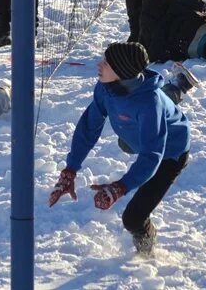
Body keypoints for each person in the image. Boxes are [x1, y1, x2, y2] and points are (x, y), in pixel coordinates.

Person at [47, 42, 191, 256]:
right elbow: (89, 127)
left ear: (122, 72)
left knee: (133, 219)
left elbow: (152, 156)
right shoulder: (106, 88)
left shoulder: (149, 105)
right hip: (133, 135)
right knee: (127, 141)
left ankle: (147, 254)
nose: (98, 65)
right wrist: (70, 168)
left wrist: (120, 187)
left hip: (169, 153)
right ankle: (178, 85)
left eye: (105, 63)